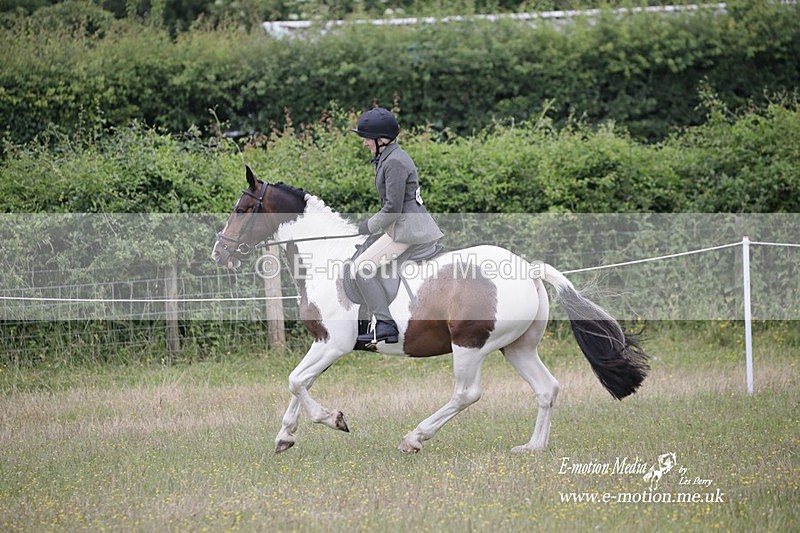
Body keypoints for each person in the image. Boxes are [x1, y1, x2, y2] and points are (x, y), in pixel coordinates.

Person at [351, 107, 443, 344]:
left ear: (381, 140)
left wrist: (367, 226)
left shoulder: (394, 162)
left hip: (407, 230)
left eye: (367, 140)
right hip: (401, 227)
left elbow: (393, 208)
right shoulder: (389, 157)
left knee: (362, 267)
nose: (364, 144)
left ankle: (384, 324)